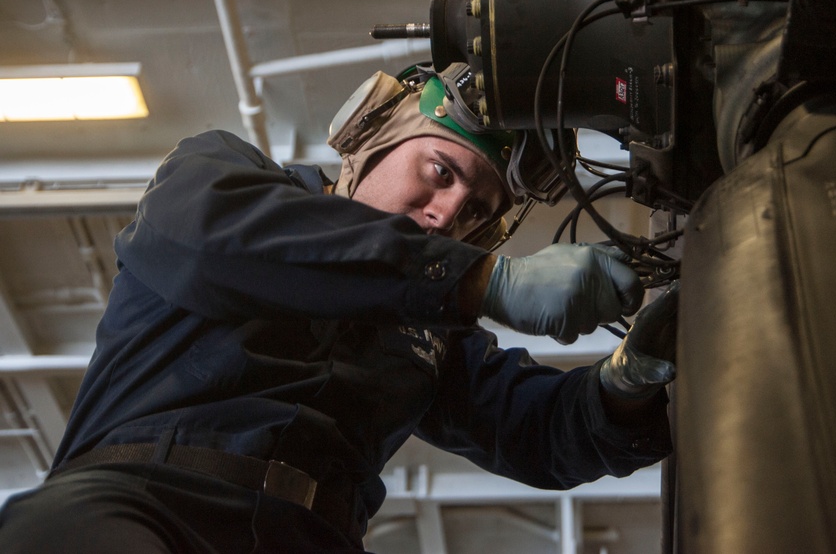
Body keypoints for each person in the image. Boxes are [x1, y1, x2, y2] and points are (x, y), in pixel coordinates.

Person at [0, 66, 678, 553]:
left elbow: (533, 429)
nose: (447, 214)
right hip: (145, 503)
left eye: (477, 211)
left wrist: (625, 385)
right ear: (371, 136)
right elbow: (209, 243)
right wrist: (481, 285)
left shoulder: (426, 328)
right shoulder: (216, 179)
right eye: (440, 172)